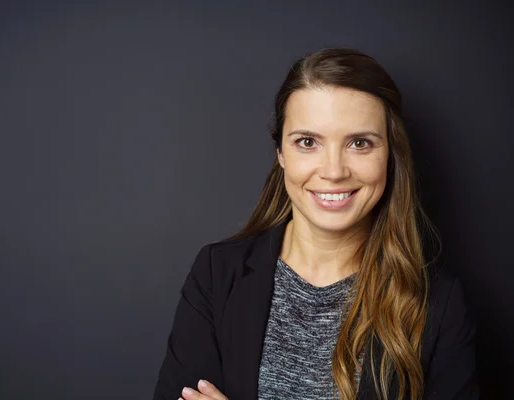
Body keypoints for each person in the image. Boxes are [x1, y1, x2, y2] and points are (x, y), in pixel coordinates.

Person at [152, 48, 478, 400]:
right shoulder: (217, 275)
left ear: (390, 155)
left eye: (360, 143)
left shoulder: (439, 305)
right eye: (307, 142)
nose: (334, 171)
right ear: (281, 153)